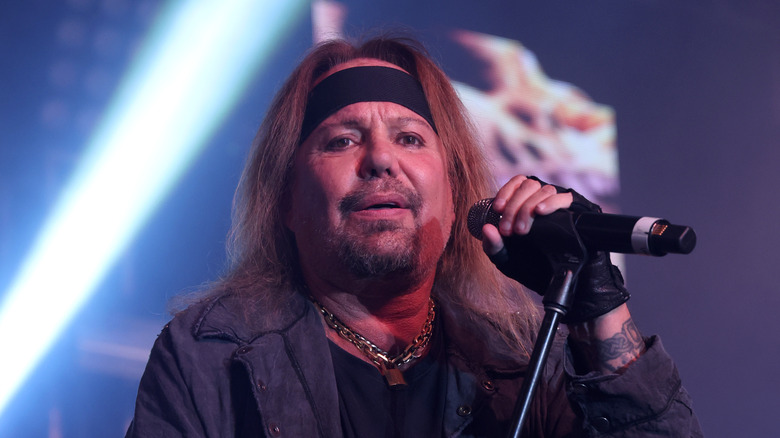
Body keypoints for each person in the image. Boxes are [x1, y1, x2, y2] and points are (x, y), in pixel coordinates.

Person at [126, 36, 701, 437]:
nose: (380, 159)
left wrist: (596, 308)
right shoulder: (210, 356)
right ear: (286, 203)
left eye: (409, 139)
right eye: (341, 140)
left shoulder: (527, 358)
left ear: (454, 198)